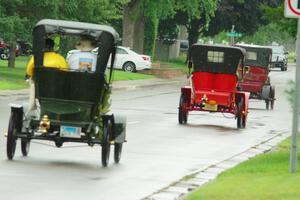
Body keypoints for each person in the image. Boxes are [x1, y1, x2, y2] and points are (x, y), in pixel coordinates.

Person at [26, 38, 68, 115]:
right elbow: (66, 72)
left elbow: (29, 72)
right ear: (52, 47)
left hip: (41, 88)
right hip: (57, 88)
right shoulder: (60, 58)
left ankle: (32, 104)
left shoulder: (36, 58)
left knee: (31, 81)